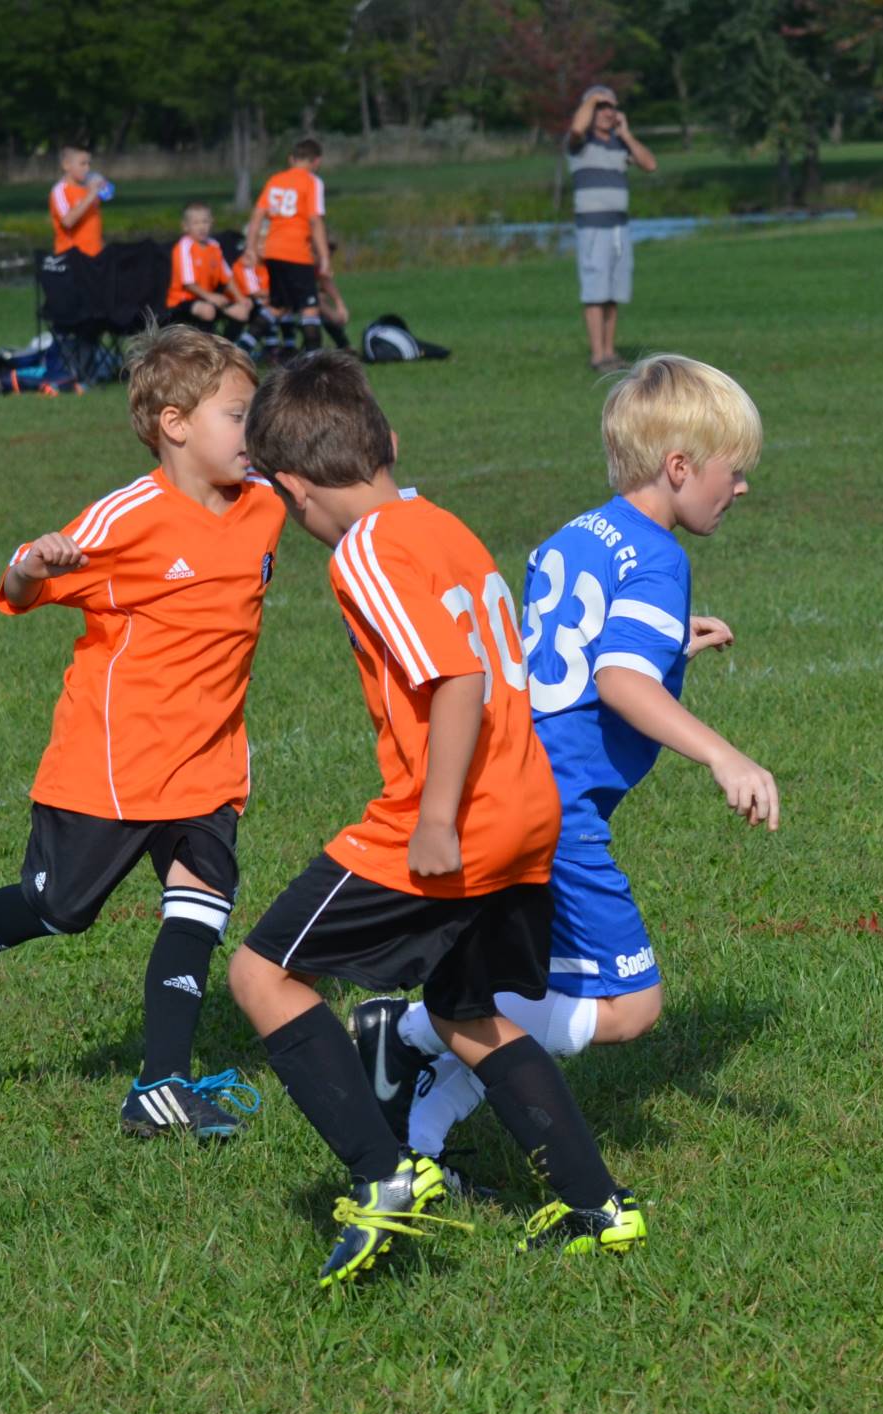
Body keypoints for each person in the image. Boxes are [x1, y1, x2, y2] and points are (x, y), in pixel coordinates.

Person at [229, 351, 644, 1288]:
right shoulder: (442, 525)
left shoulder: (364, 550)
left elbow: (457, 676)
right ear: (389, 441)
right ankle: (599, 1206)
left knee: (261, 974)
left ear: (294, 490)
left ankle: (382, 1175)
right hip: (528, 808)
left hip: (456, 819)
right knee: (464, 1012)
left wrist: (437, 819)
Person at [348, 354, 777, 1190]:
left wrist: (669, 639)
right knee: (631, 1008)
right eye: (734, 470)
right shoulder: (658, 558)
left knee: (528, 984)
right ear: (679, 467)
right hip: (564, 812)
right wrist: (723, 754)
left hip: (511, 786)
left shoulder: (574, 534)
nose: (742, 487)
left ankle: (418, 1135)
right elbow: (616, 680)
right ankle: (415, 1029)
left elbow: (562, 656)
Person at [0, 327, 280, 1144]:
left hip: (208, 759)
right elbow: (18, 584)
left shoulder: (266, 502)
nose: (255, 431)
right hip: (114, 761)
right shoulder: (128, 518)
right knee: (59, 910)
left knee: (200, 907)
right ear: (174, 425)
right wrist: (33, 566)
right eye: (238, 415)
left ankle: (160, 1085)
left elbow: (335, 493)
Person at [565, 86, 657, 373]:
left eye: (611, 106)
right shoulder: (579, 143)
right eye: (600, 107)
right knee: (595, 291)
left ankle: (610, 352)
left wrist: (626, 134)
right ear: (589, 110)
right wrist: (594, 98)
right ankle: (598, 356)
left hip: (619, 228)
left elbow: (650, 164)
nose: (607, 112)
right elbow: (576, 128)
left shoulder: (619, 144)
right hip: (593, 228)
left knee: (613, 291)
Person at [245, 138, 329, 355]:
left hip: (273, 251)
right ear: (317, 161)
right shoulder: (312, 182)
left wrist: (251, 247)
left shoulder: (276, 180)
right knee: (310, 308)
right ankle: (313, 361)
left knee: (277, 306)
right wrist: (324, 256)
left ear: (292, 159)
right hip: (296, 252)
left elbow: (257, 215)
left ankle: (240, 349)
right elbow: (315, 221)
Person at [166, 202, 253, 337]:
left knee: (242, 312)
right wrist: (211, 297)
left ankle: (226, 345)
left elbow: (227, 278)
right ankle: (205, 347)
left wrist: (240, 297)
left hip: (208, 298)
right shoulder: (184, 247)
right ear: (185, 226)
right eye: (196, 223)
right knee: (208, 310)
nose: (201, 227)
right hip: (183, 300)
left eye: (205, 222)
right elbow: (188, 283)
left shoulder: (214, 246)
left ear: (212, 222)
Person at [50, 146, 109, 258]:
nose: (87, 168)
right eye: (82, 164)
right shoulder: (60, 191)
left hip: (95, 255)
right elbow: (67, 221)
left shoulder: (87, 189)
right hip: (72, 258)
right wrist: (91, 195)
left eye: (89, 164)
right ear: (66, 165)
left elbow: (93, 223)